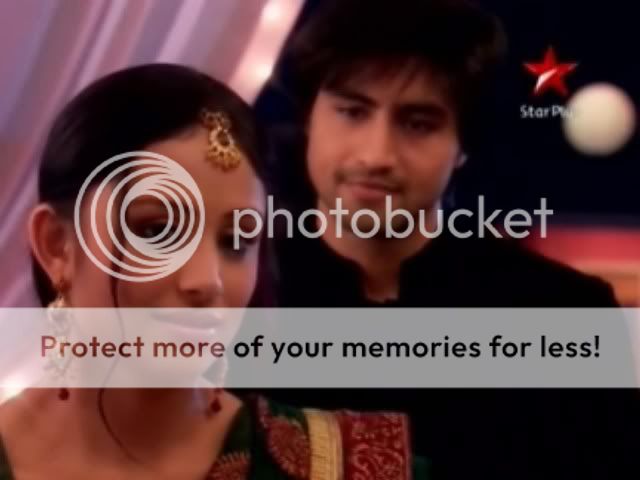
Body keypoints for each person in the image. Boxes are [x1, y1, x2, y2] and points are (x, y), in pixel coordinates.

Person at [263, 0, 640, 478]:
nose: (377, 155)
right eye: (353, 112)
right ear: (309, 119)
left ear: (463, 145)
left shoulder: (564, 313)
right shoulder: (230, 302)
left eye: (418, 123)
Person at [0, 64, 427, 479]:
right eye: (157, 231)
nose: (207, 281)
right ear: (56, 245)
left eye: (237, 242)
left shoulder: (346, 465)